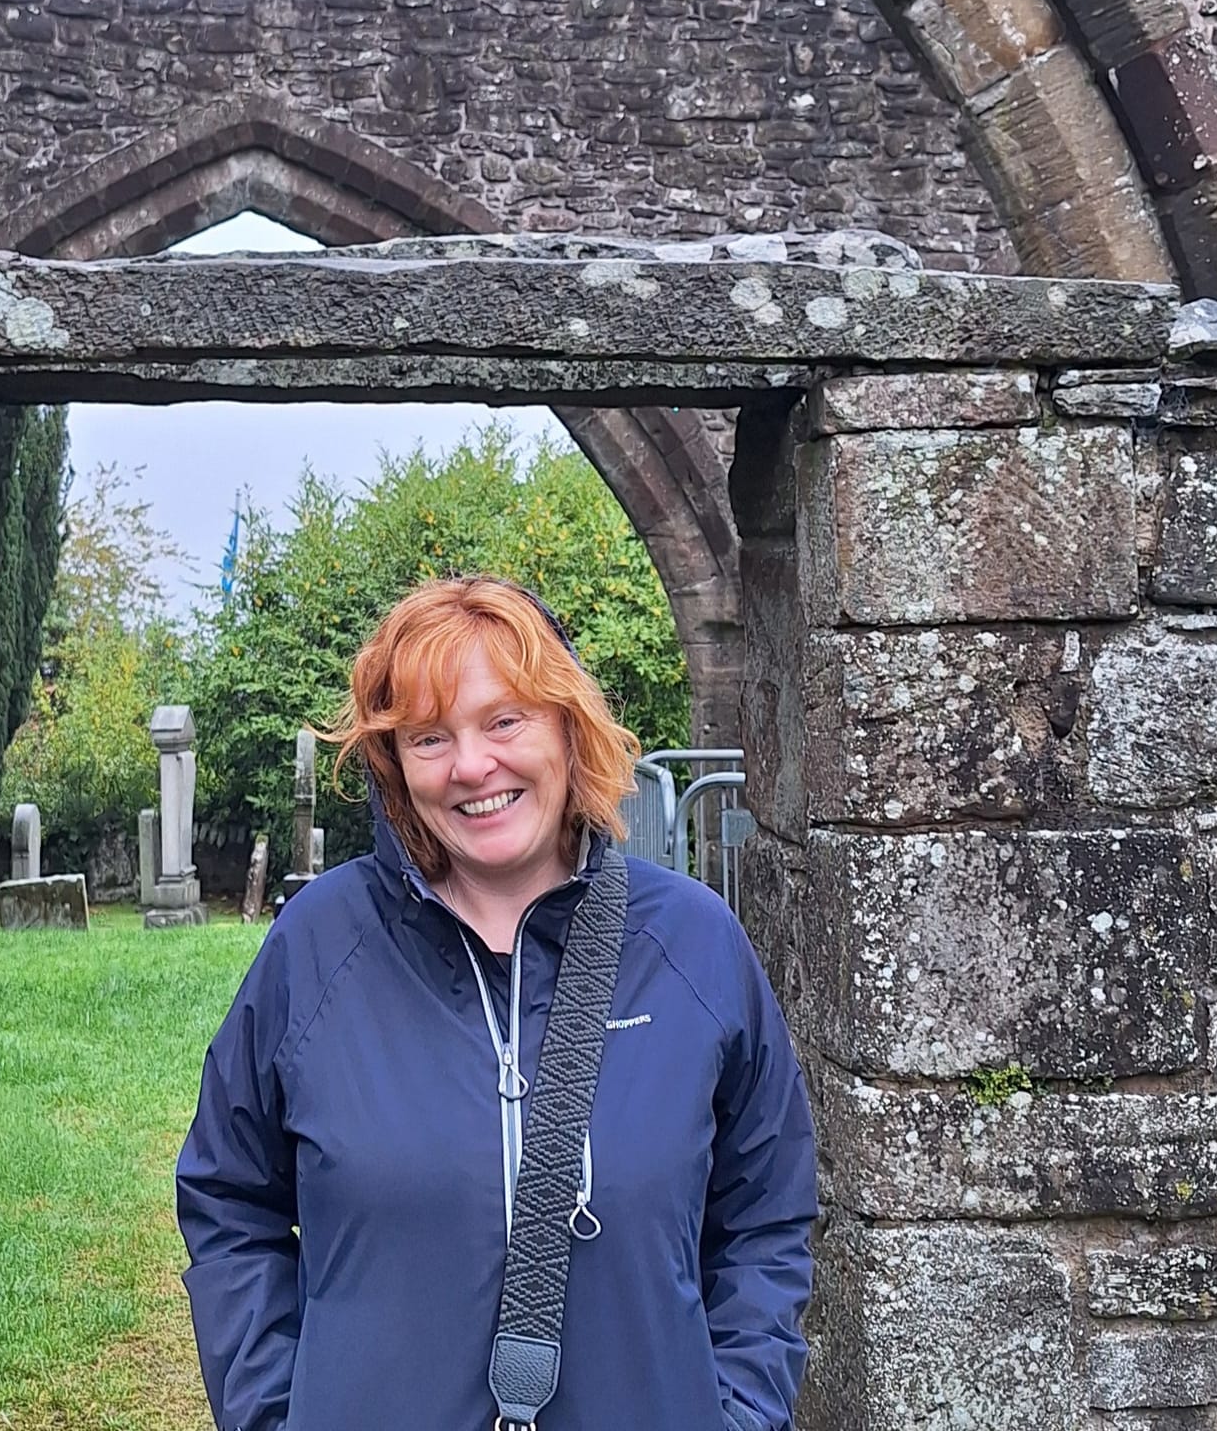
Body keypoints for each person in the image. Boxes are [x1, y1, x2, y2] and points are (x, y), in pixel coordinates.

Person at [176, 575, 818, 1431]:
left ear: (566, 722)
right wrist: (273, 1413)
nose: (472, 767)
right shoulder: (320, 946)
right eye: (429, 737)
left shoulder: (694, 946)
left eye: (504, 720)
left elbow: (765, 1211)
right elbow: (229, 1197)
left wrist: (734, 1411)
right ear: (395, 765)